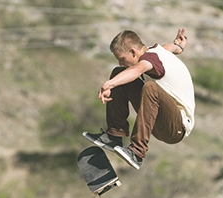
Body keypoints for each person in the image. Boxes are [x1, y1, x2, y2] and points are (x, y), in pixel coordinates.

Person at [83, 28, 195, 170]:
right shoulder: (155, 51)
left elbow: (137, 70)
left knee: (150, 88)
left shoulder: (150, 60)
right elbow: (169, 47)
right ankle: (114, 135)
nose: (120, 63)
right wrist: (178, 47)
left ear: (133, 52)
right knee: (119, 73)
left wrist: (110, 84)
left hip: (176, 128)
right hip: (159, 120)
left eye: (122, 59)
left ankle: (137, 152)